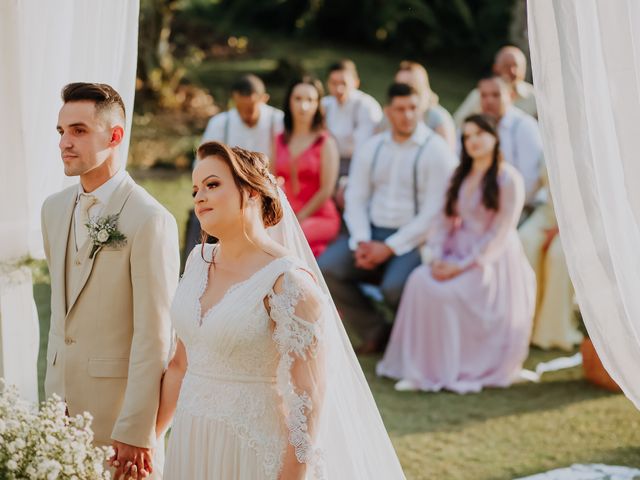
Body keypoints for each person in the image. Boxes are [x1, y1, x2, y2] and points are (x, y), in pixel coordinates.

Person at [158, 142, 406, 479]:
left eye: (213, 185)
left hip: (249, 453)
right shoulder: (197, 262)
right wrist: (148, 438)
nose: (199, 197)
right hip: (191, 441)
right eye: (195, 189)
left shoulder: (288, 282)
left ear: (252, 192)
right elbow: (179, 364)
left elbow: (310, 400)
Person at [42, 83, 179, 479]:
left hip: (119, 423)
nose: (65, 142)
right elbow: (63, 313)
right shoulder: (52, 211)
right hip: (58, 410)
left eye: (79, 131)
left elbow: (156, 335)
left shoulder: (149, 218)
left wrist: (138, 430)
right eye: (61, 131)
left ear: (115, 135)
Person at [377, 114, 536, 393]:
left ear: (494, 136)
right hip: (453, 252)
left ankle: (454, 366)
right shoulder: (458, 174)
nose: (473, 141)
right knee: (419, 280)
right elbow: (443, 221)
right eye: (467, 136)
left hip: (491, 260)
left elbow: (500, 232)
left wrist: (462, 266)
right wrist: (436, 256)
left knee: (446, 294)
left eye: (479, 134)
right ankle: (418, 368)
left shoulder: (508, 178)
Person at [318, 83, 457, 354]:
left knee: (394, 289)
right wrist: (360, 241)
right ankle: (377, 331)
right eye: (400, 109)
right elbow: (356, 198)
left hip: (414, 240)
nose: (407, 115)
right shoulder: (372, 147)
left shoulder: (436, 150)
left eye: (413, 109)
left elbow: (433, 212)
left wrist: (389, 247)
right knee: (327, 268)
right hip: (370, 233)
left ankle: (413, 342)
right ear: (388, 112)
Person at [185, 74, 285, 256]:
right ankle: (195, 263)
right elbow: (201, 162)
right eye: (240, 109)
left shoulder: (278, 121)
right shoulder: (221, 123)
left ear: (264, 99)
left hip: (270, 191)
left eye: (251, 109)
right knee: (197, 216)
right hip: (228, 190)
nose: (245, 115)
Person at [272, 76, 340, 257]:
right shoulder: (278, 139)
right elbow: (270, 179)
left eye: (310, 100)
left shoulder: (325, 142)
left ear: (318, 105)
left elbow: (326, 190)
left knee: (290, 240)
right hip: (287, 215)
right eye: (298, 99)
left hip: (319, 216)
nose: (303, 106)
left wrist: (299, 218)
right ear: (289, 102)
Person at [519, 166, 582, 351]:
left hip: (581, 218)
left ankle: (553, 331)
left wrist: (560, 229)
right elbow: (532, 189)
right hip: (548, 213)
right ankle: (524, 326)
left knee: (559, 255)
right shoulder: (547, 144)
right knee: (524, 242)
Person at [478, 75, 544, 208]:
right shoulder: (475, 124)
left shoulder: (524, 126)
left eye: (496, 95)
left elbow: (530, 180)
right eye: (484, 96)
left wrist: (503, 208)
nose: (489, 101)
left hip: (517, 206)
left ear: (511, 96)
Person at [321, 59, 383, 177]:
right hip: (329, 161)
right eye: (333, 83)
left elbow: (364, 150)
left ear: (356, 82)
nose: (339, 89)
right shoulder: (325, 105)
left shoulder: (367, 106)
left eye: (343, 83)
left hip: (361, 165)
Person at [453, 45, 537, 128]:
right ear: (495, 68)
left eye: (516, 66)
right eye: (506, 66)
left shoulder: (535, 97)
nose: (512, 71)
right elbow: (458, 124)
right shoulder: (479, 95)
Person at [389, 60, 456, 151]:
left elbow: (447, 154)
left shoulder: (438, 117)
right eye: (399, 85)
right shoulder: (390, 115)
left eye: (409, 85)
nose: (403, 90)